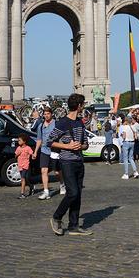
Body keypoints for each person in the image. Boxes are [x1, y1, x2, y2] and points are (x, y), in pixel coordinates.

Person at [48, 93, 92, 236]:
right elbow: (49, 141)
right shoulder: (62, 122)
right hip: (66, 161)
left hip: (79, 160)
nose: (83, 107)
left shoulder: (80, 122)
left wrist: (81, 146)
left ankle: (74, 225)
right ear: (79, 106)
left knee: (77, 194)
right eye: (83, 104)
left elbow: (86, 143)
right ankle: (56, 217)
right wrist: (68, 146)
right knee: (72, 192)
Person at [33, 107, 64, 200]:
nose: (46, 116)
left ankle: (62, 184)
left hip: (55, 150)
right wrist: (35, 152)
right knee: (44, 171)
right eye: (45, 114)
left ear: (51, 114)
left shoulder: (56, 124)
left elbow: (62, 136)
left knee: (57, 172)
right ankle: (46, 191)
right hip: (44, 150)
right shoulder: (40, 126)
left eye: (48, 114)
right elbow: (39, 139)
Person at [15, 133, 35, 199]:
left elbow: (32, 153)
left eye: (20, 140)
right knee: (25, 178)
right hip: (20, 165)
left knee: (23, 179)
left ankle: (22, 193)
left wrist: (33, 156)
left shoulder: (28, 148)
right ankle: (31, 186)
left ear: (24, 141)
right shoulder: (18, 148)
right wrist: (18, 154)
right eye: (18, 140)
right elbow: (15, 155)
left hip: (26, 165)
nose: (18, 141)